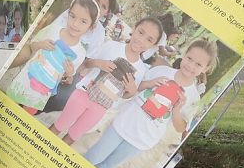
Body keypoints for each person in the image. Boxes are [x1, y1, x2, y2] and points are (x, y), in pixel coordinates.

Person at [84, 38, 216, 168]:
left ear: (205, 69)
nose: (191, 65)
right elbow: (133, 89)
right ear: (184, 54)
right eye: (189, 58)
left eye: (198, 64)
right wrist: (150, 83)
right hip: (123, 124)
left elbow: (181, 128)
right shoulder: (161, 71)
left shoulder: (193, 97)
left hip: (143, 139)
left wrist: (176, 110)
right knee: (93, 157)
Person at [49, 17, 164, 146]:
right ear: (134, 28)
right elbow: (85, 64)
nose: (141, 40)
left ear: (153, 45)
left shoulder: (141, 69)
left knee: (73, 136)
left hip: (101, 108)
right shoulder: (111, 46)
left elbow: (124, 95)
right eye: (141, 32)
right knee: (59, 126)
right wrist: (98, 63)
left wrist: (131, 91)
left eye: (149, 40)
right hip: (83, 94)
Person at [5, 0, 99, 115]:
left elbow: (67, 77)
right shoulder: (53, 29)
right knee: (6, 109)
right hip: (25, 81)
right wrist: (40, 45)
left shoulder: (80, 53)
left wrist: (69, 73)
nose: (75, 24)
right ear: (68, 14)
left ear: (91, 27)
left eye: (83, 21)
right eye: (72, 16)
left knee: (23, 117)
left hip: (41, 92)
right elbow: (31, 46)